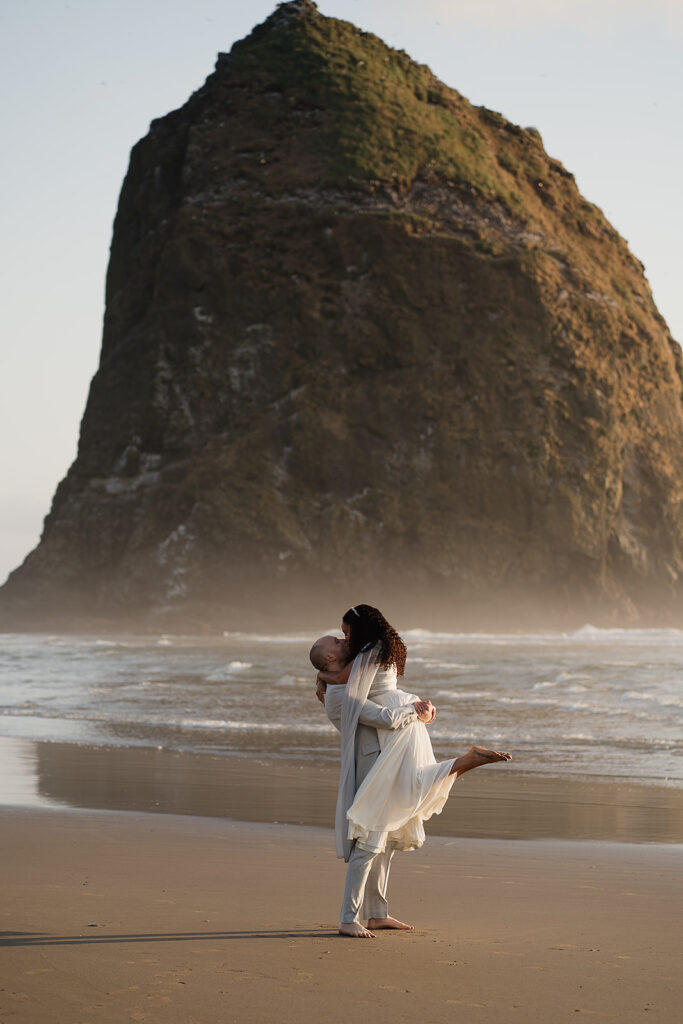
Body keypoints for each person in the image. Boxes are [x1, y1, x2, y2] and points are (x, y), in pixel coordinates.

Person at [311, 604, 511, 939]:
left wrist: (421, 712)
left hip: (394, 755)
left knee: (386, 841)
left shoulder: (365, 663)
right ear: (330, 657)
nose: (343, 640)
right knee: (370, 842)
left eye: (344, 634)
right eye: (338, 640)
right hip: (375, 768)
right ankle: (349, 918)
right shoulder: (341, 691)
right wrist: (415, 711)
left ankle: (376, 914)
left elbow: (384, 703)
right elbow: (385, 718)